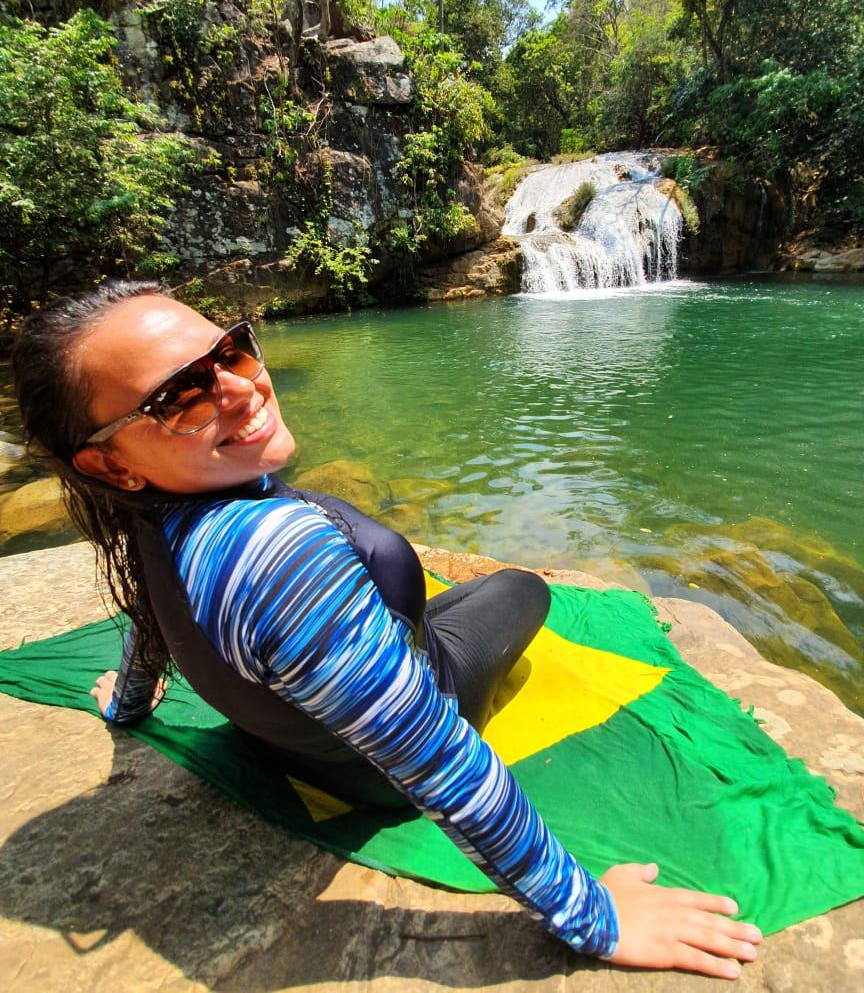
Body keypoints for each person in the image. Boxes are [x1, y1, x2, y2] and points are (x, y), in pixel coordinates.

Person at [12, 280, 762, 978]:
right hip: (371, 769)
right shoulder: (272, 556)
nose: (241, 388)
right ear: (108, 463)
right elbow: (437, 761)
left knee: (416, 604)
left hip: (286, 738)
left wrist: (127, 705)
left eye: (231, 349)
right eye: (182, 395)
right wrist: (593, 916)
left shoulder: (144, 517)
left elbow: (148, 613)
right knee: (519, 587)